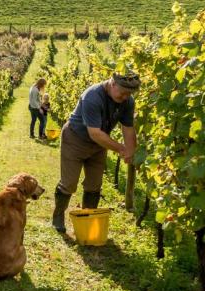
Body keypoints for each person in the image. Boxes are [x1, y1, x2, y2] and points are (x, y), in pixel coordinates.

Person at [52, 71, 140, 234]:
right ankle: (58, 215)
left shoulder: (127, 101)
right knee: (69, 182)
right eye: (123, 93)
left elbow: (128, 128)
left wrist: (131, 151)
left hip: (98, 145)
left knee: (94, 185)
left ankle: (87, 220)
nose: (126, 97)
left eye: (129, 94)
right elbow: (95, 133)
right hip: (76, 139)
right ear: (113, 83)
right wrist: (121, 149)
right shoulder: (92, 96)